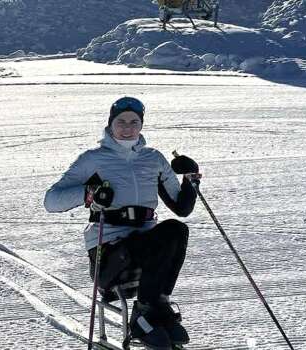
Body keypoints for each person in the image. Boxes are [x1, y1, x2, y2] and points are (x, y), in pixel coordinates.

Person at [44, 97, 201, 350]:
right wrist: (89, 193)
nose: (127, 127)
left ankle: (156, 304)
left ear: (141, 125)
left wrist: (191, 178)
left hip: (147, 243)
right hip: (110, 250)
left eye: (134, 122)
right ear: (110, 123)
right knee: (157, 238)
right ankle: (143, 316)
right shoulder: (93, 159)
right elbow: (51, 201)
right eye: (121, 121)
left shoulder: (153, 159)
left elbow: (182, 208)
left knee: (177, 229)